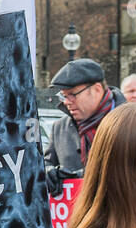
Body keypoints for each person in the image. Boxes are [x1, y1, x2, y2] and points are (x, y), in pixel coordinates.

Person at [44, 59, 126, 196]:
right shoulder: (59, 128)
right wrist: (48, 172)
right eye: (63, 96)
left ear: (97, 89)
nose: (67, 102)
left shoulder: (131, 122)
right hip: (75, 214)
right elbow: (45, 163)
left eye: (72, 94)